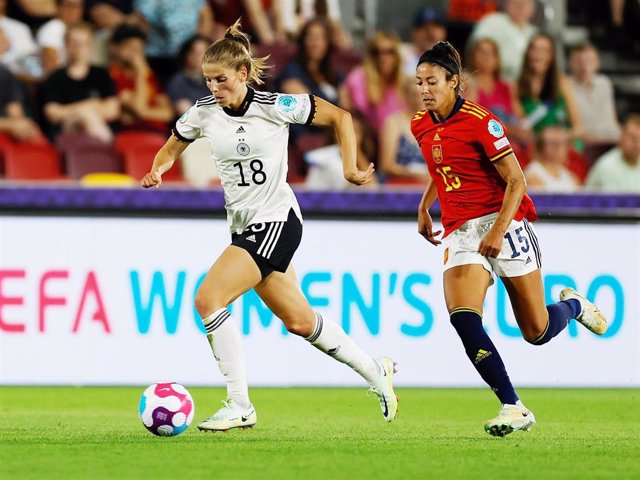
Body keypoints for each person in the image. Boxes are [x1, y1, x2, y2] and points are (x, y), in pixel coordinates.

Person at [141, 19, 398, 431]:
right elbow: (173, 145)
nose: (213, 88)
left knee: (208, 299)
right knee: (299, 321)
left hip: (277, 219)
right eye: (208, 80)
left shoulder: (276, 106)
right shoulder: (203, 113)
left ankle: (239, 403)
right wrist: (158, 169)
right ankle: (375, 370)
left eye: (221, 80)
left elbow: (341, 117)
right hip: (244, 226)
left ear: (243, 75)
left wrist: (350, 166)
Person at [412, 41, 608, 437]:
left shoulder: (482, 122)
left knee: (536, 331)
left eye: (432, 81)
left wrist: (499, 231)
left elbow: (517, 181)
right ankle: (512, 405)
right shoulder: (421, 123)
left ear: (453, 81)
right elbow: (442, 166)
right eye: (419, 82)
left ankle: (572, 306)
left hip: (505, 222)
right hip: (461, 231)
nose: (425, 89)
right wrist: (424, 206)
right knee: (463, 318)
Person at [41, 22, 119, 142]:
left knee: (88, 117)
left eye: (84, 44)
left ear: (90, 46)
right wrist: (91, 105)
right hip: (66, 129)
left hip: (98, 126)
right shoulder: (54, 78)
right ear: (66, 45)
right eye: (75, 44)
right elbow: (53, 114)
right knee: (86, 116)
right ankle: (107, 151)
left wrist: (71, 110)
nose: (79, 49)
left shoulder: (102, 75)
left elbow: (112, 110)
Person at [516, 33, 584, 141]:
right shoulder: (516, 86)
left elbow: (579, 128)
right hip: (534, 145)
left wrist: (560, 138)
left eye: (544, 50)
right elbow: (521, 128)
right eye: (534, 49)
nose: (538, 54)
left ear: (551, 56)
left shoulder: (563, 83)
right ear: (528, 53)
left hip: (563, 142)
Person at [108, 23, 173, 133]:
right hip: (133, 134)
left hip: (160, 134)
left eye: (139, 49)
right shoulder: (114, 76)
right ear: (117, 49)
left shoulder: (151, 76)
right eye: (131, 48)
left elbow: (168, 114)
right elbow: (138, 106)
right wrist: (140, 71)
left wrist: (143, 113)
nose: (136, 54)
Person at [466, 37, 531, 146]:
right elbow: (470, 121)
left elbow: (522, 122)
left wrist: (521, 130)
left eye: (491, 53)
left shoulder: (508, 87)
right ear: (473, 56)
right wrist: (510, 129)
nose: (486, 57)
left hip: (510, 144)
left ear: (497, 59)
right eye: (481, 52)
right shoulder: (467, 84)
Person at [340, 30, 405, 135]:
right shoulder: (358, 79)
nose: (383, 57)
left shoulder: (402, 81)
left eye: (389, 52)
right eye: (377, 52)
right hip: (368, 140)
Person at [468, 0, 538, 82]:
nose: (520, 7)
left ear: (532, 9)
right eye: (516, 3)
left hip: (524, 85)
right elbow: (474, 53)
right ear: (507, 4)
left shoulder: (534, 32)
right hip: (494, 83)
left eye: (525, 4)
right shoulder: (491, 23)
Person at [568, 42, 620, 146]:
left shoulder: (605, 82)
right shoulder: (566, 86)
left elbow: (613, 117)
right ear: (571, 63)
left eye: (589, 61)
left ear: (597, 63)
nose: (584, 66)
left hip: (613, 139)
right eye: (579, 61)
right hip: (585, 143)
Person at [378, 76, 428, 183]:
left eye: (423, 93)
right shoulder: (394, 122)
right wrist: (413, 174)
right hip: (399, 185)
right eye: (415, 94)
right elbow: (386, 165)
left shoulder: (437, 122)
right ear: (406, 96)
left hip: (428, 186)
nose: (419, 98)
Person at [585, 114, 640, 192]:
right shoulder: (607, 166)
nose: (637, 143)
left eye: (639, 138)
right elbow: (614, 202)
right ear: (621, 137)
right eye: (632, 137)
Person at [524, 126, 580, 192]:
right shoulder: (533, 174)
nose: (557, 148)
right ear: (541, 147)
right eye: (553, 143)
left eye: (561, 143)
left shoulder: (572, 178)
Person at [36, 0, 85, 74]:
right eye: (69, 5)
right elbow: (50, 63)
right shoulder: (53, 27)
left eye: (78, 6)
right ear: (58, 7)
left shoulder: (80, 28)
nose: (74, 10)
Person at [401, 7, 447, 76]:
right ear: (413, 32)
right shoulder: (403, 61)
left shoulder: (453, 61)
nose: (430, 32)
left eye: (435, 26)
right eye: (424, 27)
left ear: (444, 31)